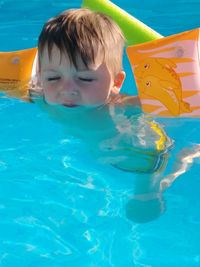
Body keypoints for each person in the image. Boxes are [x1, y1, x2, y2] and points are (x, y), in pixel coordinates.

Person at [29, 8, 172, 173]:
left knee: (153, 160)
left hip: (127, 150)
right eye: (53, 78)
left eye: (85, 79)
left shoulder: (120, 107)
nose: (67, 90)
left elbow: (166, 101)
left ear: (116, 82)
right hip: (86, 151)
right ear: (40, 76)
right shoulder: (40, 97)